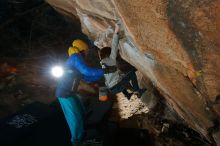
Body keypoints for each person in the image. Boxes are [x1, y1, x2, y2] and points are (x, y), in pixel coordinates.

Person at [55, 39, 116, 146]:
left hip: (70, 93)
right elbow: (87, 71)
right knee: (75, 119)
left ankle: (84, 134)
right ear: (82, 49)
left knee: (82, 112)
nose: (87, 53)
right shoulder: (75, 57)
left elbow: (87, 78)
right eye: (86, 50)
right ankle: (76, 142)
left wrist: (102, 75)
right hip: (65, 94)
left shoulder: (76, 60)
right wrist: (105, 71)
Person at [98, 23, 146, 100]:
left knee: (121, 78)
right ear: (108, 54)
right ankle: (137, 91)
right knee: (131, 73)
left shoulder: (102, 63)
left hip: (111, 89)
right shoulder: (111, 59)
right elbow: (114, 45)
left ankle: (127, 95)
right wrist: (116, 31)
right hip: (116, 86)